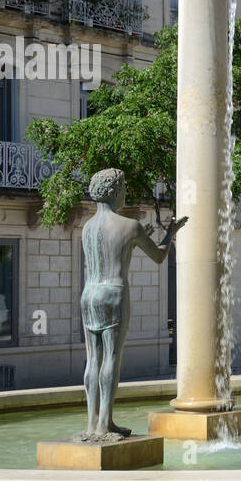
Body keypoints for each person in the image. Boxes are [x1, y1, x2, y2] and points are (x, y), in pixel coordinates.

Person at [78, 168, 186, 441]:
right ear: (114, 191)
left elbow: (110, 252)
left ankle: (94, 424)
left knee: (92, 359)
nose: (126, 192)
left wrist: (136, 239)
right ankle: (104, 426)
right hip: (113, 295)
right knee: (111, 358)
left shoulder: (87, 227)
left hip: (89, 294)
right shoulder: (130, 225)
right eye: (124, 187)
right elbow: (160, 256)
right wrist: (171, 232)